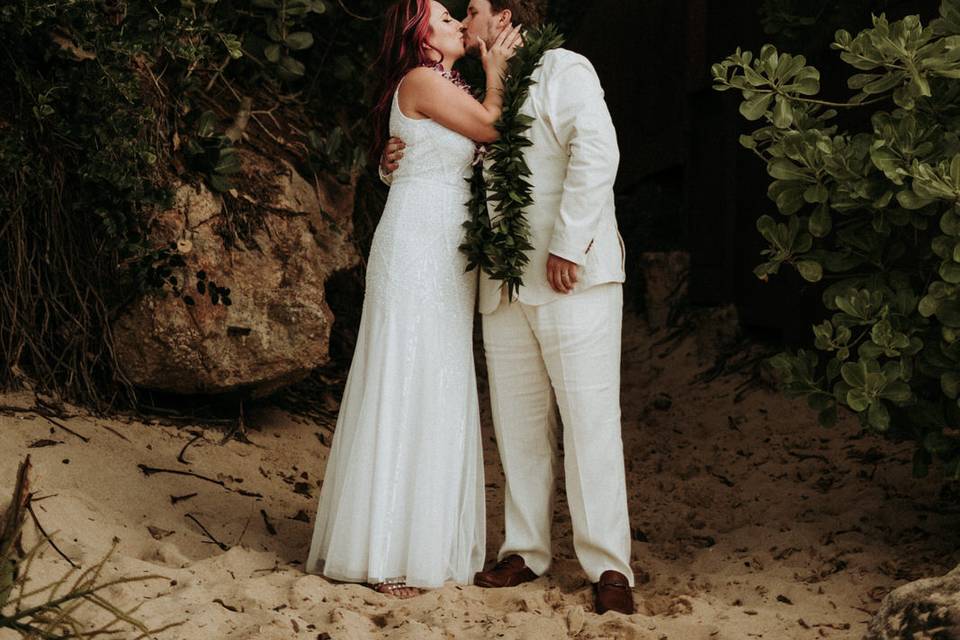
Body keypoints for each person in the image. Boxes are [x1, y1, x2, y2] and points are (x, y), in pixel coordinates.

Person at [380, 0, 635, 615]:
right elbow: (440, 164)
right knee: (518, 427)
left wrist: (570, 244)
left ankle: (608, 565)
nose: (465, 23)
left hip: (571, 274)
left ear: (508, 16)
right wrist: (392, 164)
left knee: (589, 421)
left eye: (473, 9)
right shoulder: (470, 87)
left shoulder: (564, 69)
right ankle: (525, 549)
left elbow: (597, 155)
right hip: (502, 283)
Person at [305, 0, 522, 599]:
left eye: (458, 14)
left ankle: (422, 543)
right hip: (416, 245)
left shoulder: (441, 83)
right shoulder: (424, 79)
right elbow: (491, 129)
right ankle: (385, 552)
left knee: (440, 380)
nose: (455, 21)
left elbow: (429, 149)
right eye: (443, 15)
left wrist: (387, 164)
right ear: (416, 32)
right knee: (406, 378)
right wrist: (497, 67)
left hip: (445, 252)